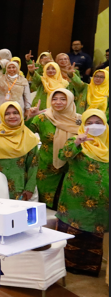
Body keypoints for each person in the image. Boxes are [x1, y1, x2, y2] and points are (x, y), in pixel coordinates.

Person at [55, 109, 108, 276]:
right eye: (89, 123)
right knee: (72, 234)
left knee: (93, 235)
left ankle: (90, 269)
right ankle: (66, 267)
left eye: (98, 123)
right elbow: (63, 155)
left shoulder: (107, 144)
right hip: (75, 200)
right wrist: (78, 142)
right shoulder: (76, 140)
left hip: (100, 201)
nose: (94, 126)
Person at [27, 89, 79, 209]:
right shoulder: (43, 118)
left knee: (67, 205)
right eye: (54, 99)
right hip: (46, 167)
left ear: (70, 100)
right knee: (44, 206)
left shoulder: (79, 120)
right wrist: (30, 117)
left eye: (63, 99)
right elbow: (25, 134)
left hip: (72, 167)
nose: (58, 102)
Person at [0, 102, 39, 201]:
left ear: (21, 114)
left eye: (15, 113)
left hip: (19, 185)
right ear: (2, 115)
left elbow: (33, 165)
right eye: (7, 114)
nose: (12, 116)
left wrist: (30, 187)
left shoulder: (29, 137)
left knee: (16, 214)